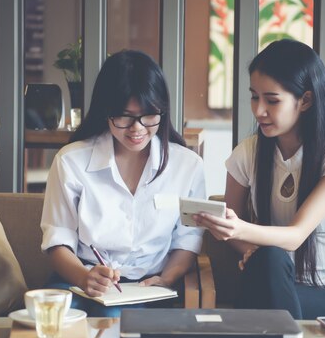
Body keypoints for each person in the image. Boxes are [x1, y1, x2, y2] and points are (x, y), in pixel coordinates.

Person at [194, 39, 325, 320]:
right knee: (268, 259)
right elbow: (237, 234)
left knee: (269, 267)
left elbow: (295, 236)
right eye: (254, 96)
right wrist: (249, 248)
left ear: (306, 100)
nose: (258, 110)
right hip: (275, 282)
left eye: (272, 100)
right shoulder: (248, 154)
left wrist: (239, 230)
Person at [40, 50, 205, 317]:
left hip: (147, 286)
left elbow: (187, 240)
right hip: (80, 279)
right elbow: (58, 240)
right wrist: (85, 277)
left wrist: (168, 279)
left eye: (149, 115)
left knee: (114, 322)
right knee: (51, 320)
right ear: (106, 111)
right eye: (125, 117)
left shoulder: (187, 166)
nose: (137, 128)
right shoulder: (71, 161)